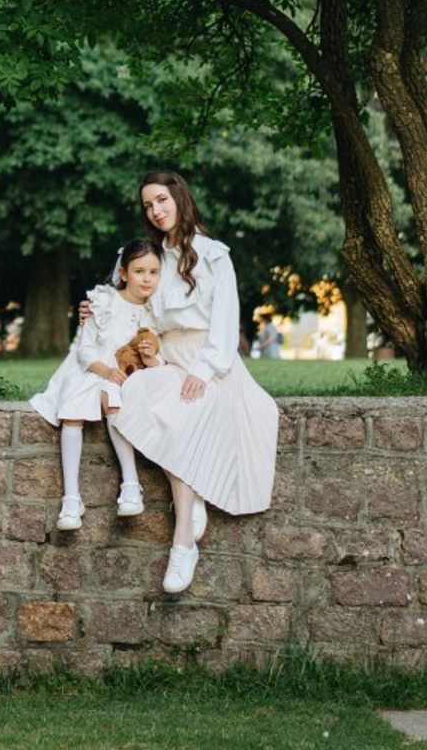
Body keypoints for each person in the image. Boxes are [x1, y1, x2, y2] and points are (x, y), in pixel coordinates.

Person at [113, 170, 278, 595]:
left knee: (185, 412)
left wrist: (202, 372)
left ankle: (182, 541)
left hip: (211, 361)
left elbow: (224, 325)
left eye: (162, 200)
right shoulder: (152, 259)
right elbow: (133, 310)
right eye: (149, 205)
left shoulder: (213, 255)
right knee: (133, 395)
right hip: (168, 357)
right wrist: (150, 351)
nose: (156, 210)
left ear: (179, 198)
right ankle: (196, 494)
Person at [30, 239, 165, 532]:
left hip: (123, 376)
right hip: (92, 368)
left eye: (153, 272)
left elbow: (160, 355)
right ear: (124, 272)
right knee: (72, 408)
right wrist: (104, 369)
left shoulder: (155, 312)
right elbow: (85, 349)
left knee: (111, 396)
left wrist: (150, 356)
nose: (147, 278)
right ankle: (71, 497)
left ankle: (131, 484)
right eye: (139, 271)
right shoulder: (103, 301)